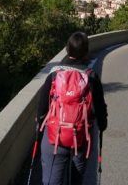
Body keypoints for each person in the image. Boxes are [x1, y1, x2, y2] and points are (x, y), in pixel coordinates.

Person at [37, 31, 108, 185]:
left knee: (51, 181)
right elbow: (100, 110)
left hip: (54, 136)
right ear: (86, 53)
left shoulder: (54, 74)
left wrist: (40, 126)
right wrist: (102, 124)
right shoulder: (91, 77)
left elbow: (42, 108)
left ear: (67, 50)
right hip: (80, 138)